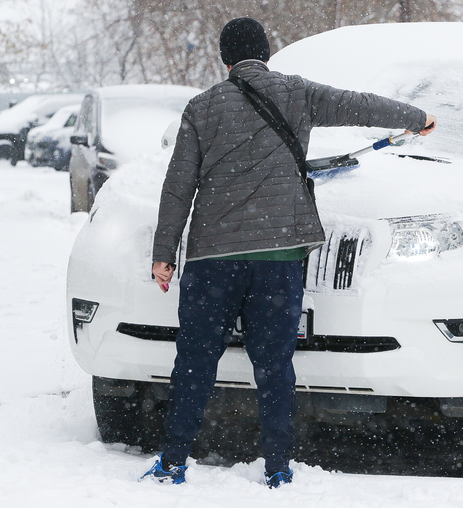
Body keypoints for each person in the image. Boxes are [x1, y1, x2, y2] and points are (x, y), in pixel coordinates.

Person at [141, 17, 436, 488]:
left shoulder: (202, 107)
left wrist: (164, 252)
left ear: (225, 59)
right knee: (274, 364)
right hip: (278, 255)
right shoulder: (297, 92)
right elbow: (357, 105)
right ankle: (277, 466)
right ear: (267, 53)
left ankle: (173, 461)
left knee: (195, 361)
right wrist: (414, 117)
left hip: (213, 258)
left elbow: (179, 186)